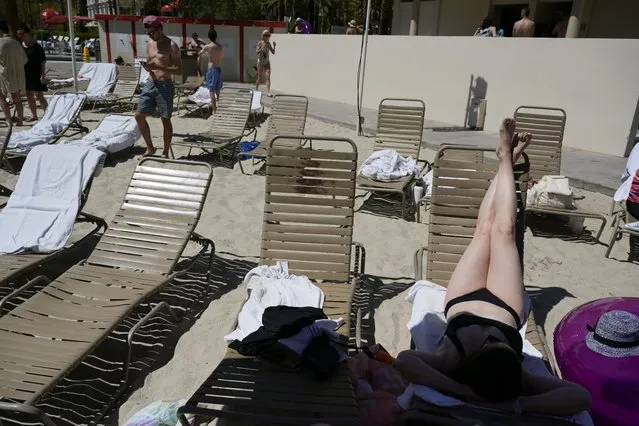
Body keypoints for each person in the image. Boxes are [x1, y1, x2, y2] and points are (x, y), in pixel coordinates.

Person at [394, 118, 592, 417]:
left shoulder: (451, 362)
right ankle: (506, 161)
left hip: (462, 300)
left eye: (487, 346)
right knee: (505, 231)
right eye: (498, 346)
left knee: (484, 229)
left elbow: (404, 361)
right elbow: (580, 397)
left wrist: (462, 392)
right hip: (505, 306)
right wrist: (519, 404)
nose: (490, 340)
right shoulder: (519, 380)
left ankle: (505, 159)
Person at [135, 16, 181, 158]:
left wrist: (161, 67)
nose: (150, 35)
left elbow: (179, 70)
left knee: (165, 119)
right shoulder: (150, 44)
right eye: (147, 33)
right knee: (139, 116)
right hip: (151, 83)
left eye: (152, 32)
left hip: (165, 84)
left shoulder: (171, 45)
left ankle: (165, 151)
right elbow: (150, 63)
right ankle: (150, 147)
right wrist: (148, 67)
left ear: (160, 28)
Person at [16, 24, 48, 122]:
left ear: (27, 33)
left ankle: (48, 114)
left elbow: (42, 62)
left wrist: (43, 75)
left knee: (39, 95)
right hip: (25, 74)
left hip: (36, 73)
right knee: (29, 95)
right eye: (18, 34)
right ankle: (34, 115)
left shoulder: (37, 47)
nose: (20, 36)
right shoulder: (20, 46)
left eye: (22, 33)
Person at [0, 20, 27, 126]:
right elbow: (24, 60)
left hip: (3, 73)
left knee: (2, 97)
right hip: (17, 73)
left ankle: (8, 120)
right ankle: (20, 120)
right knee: (17, 99)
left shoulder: (0, 42)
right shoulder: (16, 43)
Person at [197, 28, 224, 113]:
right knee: (218, 89)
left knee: (211, 90)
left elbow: (199, 53)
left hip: (212, 69)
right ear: (216, 36)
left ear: (209, 37)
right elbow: (222, 56)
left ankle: (214, 109)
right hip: (219, 68)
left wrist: (201, 48)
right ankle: (219, 107)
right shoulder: (220, 46)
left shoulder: (208, 46)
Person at [255, 30, 275, 96]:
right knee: (259, 77)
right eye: (266, 35)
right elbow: (257, 52)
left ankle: (268, 92)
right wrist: (261, 49)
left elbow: (273, 52)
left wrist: (274, 46)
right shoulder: (260, 43)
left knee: (268, 77)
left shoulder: (268, 44)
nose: (267, 37)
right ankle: (256, 89)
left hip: (266, 62)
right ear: (263, 36)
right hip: (260, 62)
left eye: (268, 35)